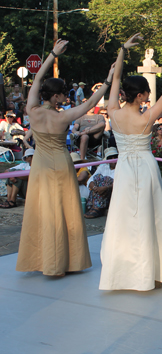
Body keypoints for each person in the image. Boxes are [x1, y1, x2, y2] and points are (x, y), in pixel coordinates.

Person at [99, 33, 162, 291]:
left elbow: (116, 79)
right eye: (146, 94)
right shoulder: (148, 117)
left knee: (124, 219)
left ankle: (124, 274)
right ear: (143, 95)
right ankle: (153, 272)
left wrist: (122, 50)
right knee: (150, 218)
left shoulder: (113, 112)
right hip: (145, 166)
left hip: (124, 167)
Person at [16, 39, 115, 276]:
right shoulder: (64, 116)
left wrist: (52, 54)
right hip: (61, 163)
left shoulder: (32, 110)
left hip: (40, 164)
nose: (64, 97)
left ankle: (44, 261)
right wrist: (109, 80)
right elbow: (92, 102)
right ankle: (66, 261)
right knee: (65, 211)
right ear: (58, 96)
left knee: (42, 210)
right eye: (62, 94)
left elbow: (37, 78)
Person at [84, 147, 117, 218]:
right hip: (98, 192)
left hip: (111, 193)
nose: (113, 160)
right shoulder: (103, 167)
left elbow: (120, 183)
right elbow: (90, 180)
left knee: (106, 179)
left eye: (115, 157)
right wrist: (96, 188)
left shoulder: (120, 168)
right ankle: (94, 206)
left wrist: (106, 187)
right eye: (111, 158)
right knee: (97, 177)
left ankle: (96, 208)